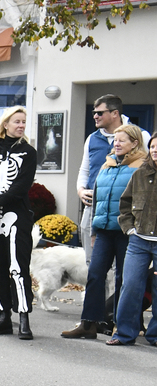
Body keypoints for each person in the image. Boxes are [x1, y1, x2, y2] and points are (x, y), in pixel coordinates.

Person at [62, 124, 144, 340]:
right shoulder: (107, 165)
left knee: (123, 279)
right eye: (115, 140)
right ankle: (88, 324)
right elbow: (98, 199)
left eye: (122, 140)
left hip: (128, 233)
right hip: (104, 231)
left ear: (135, 143)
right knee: (95, 275)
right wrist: (94, 229)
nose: (116, 144)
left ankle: (120, 325)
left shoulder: (141, 167)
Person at [0, 107, 38, 339]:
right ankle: (2, 317)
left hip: (15, 216)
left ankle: (23, 317)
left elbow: (22, 185)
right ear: (6, 124)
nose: (21, 125)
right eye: (17, 122)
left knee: (18, 267)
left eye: (23, 122)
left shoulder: (28, 152)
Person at [78, 95, 149, 267]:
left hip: (125, 211)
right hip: (95, 208)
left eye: (100, 113)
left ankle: (116, 295)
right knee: (94, 264)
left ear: (115, 113)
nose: (95, 116)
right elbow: (84, 170)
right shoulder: (91, 139)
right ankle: (96, 295)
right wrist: (80, 190)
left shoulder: (142, 136)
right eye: (94, 113)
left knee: (122, 267)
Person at [111, 132, 157, 346]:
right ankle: (124, 333)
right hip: (138, 240)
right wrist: (129, 229)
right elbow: (125, 204)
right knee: (130, 285)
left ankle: (155, 336)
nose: (155, 150)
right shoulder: (140, 173)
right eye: (153, 146)